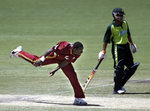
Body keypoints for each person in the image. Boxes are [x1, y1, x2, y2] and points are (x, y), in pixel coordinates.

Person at [10, 41, 87, 105]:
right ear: (75, 49)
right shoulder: (64, 46)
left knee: (73, 76)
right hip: (54, 56)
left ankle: (78, 98)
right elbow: (51, 49)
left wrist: (55, 70)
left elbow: (66, 62)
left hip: (63, 60)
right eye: (80, 50)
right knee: (36, 62)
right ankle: (18, 52)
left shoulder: (77, 53)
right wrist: (42, 59)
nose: (82, 52)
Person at [98, 8, 140, 94]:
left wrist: (132, 44)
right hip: (117, 48)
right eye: (119, 15)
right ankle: (116, 89)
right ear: (114, 15)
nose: (121, 17)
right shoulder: (111, 27)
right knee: (119, 68)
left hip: (126, 47)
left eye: (122, 15)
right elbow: (106, 40)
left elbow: (128, 34)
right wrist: (103, 51)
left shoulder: (125, 23)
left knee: (132, 67)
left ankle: (120, 85)